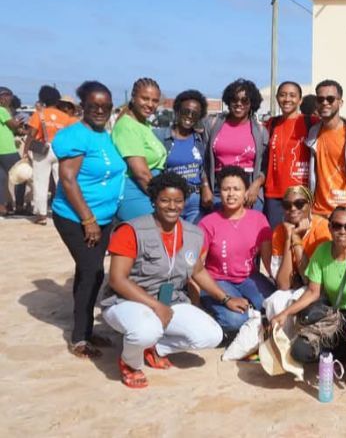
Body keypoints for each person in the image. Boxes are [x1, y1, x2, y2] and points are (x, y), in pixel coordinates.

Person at [101, 172, 248, 388]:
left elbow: (197, 271)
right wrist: (155, 305)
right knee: (146, 330)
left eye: (178, 201)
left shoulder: (193, 234)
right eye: (165, 200)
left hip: (170, 301)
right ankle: (130, 362)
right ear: (153, 201)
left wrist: (225, 298)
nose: (172, 206)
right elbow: (117, 279)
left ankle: (156, 348)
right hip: (127, 302)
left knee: (211, 335)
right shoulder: (132, 230)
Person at [51, 81, 127, 358]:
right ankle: (80, 338)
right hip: (76, 217)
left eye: (106, 106)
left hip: (104, 218)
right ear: (83, 106)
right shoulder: (74, 135)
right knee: (92, 270)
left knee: (90, 272)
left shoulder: (104, 135)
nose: (100, 110)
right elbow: (68, 180)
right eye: (94, 106)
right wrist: (88, 219)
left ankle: (85, 329)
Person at [271, 205, 346, 391]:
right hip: (334, 316)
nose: (342, 231)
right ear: (329, 227)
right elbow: (312, 292)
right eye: (337, 226)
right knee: (299, 351)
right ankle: (341, 353)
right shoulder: (322, 251)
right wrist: (285, 313)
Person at [198, 166, 274, 334]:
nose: (231, 194)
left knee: (274, 307)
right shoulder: (207, 223)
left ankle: (251, 309)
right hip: (218, 280)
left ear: (246, 192)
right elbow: (196, 269)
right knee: (236, 321)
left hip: (249, 277)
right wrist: (224, 299)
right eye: (226, 189)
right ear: (219, 192)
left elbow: (269, 263)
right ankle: (212, 312)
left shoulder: (259, 219)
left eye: (236, 189)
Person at [204, 78, 269, 212]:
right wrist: (205, 186)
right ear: (228, 101)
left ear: (251, 103)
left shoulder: (261, 131)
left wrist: (256, 185)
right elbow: (204, 161)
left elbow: (265, 166)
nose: (239, 103)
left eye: (245, 100)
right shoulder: (212, 125)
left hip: (249, 189)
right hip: (219, 188)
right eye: (234, 99)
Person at [305, 79, 346, 218]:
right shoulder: (313, 133)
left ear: (340, 102)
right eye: (320, 99)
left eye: (330, 99)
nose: (325, 103)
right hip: (318, 212)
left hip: (345, 213)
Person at [263, 81, 318, 227]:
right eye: (283, 95)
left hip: (301, 195)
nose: (287, 99)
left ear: (300, 100)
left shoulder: (311, 122)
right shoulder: (270, 124)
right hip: (274, 195)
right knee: (276, 238)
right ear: (277, 98)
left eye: (292, 95)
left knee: (300, 237)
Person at [112, 77, 167, 221]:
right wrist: (163, 200)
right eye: (145, 98)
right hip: (137, 192)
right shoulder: (127, 126)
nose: (150, 104)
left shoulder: (143, 125)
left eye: (155, 100)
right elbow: (141, 174)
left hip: (150, 190)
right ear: (133, 97)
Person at [154, 89, 210, 224]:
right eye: (186, 111)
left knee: (193, 236)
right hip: (171, 201)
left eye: (195, 114)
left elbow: (203, 168)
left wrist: (205, 186)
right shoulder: (160, 136)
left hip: (195, 203)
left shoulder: (200, 139)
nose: (189, 116)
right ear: (177, 110)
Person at [23, 85, 77, 225]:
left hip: (42, 150)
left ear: (42, 99)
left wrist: (25, 151)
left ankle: (41, 215)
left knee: (40, 182)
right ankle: (64, 211)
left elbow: (32, 134)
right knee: (62, 181)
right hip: (61, 150)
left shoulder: (39, 114)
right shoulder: (65, 117)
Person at [269, 185, 332, 291]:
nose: (293, 208)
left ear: (310, 205)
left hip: (319, 289)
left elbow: (309, 280)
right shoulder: (279, 231)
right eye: (287, 205)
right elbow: (283, 285)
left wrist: (296, 237)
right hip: (293, 287)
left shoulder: (323, 227)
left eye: (299, 204)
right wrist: (289, 237)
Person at [0, 86, 25, 216]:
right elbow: (13, 125)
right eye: (7, 96)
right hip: (6, 149)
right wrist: (18, 121)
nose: (10, 98)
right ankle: (19, 206)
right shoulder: (2, 110)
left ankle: (2, 207)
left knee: (1, 179)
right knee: (22, 175)